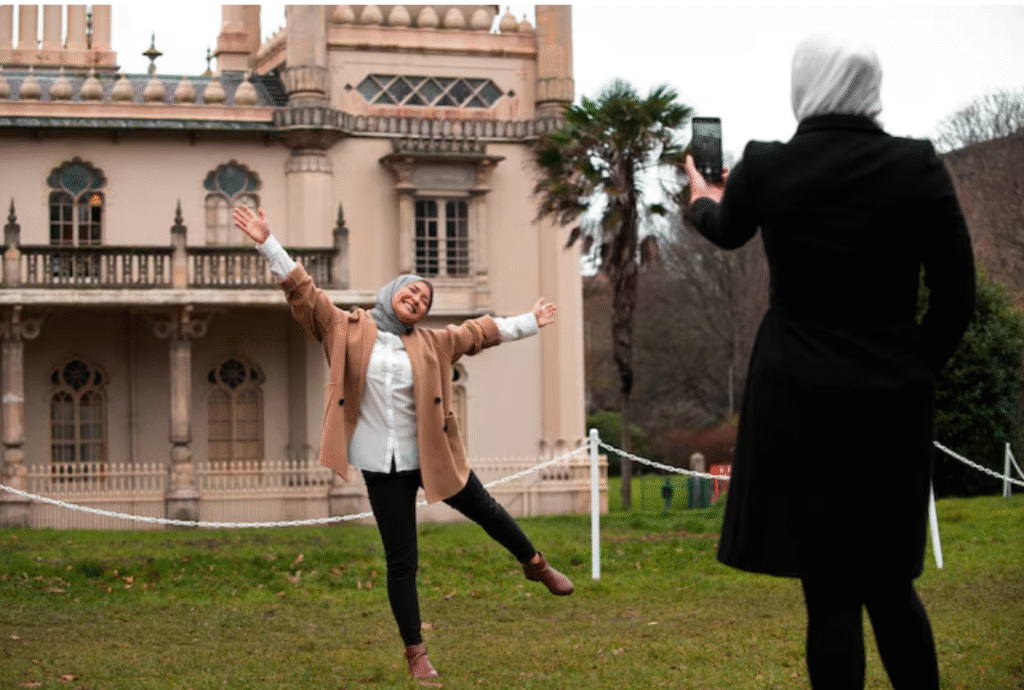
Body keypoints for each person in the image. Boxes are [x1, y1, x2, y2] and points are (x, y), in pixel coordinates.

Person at [683, 35, 976, 690]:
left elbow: (726, 229)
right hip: (890, 402)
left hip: (797, 401)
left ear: (804, 84)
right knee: (891, 587)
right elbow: (958, 295)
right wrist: (915, 366)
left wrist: (702, 193)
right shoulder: (916, 166)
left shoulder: (767, 165)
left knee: (830, 596)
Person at [232, 206, 574, 681]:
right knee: (402, 560)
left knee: (488, 510)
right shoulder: (343, 328)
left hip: (433, 455)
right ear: (392, 295)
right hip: (380, 462)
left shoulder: (433, 343)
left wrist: (530, 321)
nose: (417, 298)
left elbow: (478, 332)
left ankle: (535, 563)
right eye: (410, 290)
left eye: (424, 298)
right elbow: (303, 291)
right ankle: (416, 652)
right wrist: (267, 242)